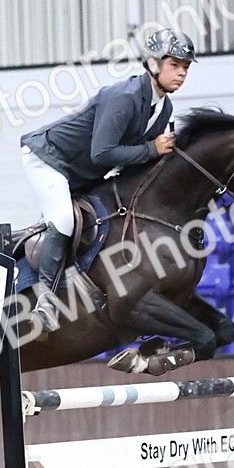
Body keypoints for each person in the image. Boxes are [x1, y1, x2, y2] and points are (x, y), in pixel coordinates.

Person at [19, 27, 197, 331]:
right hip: (49, 159)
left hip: (83, 170)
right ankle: (45, 299)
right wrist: (152, 148)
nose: (181, 73)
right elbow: (103, 153)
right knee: (63, 219)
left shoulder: (163, 107)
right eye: (174, 64)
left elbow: (138, 159)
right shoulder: (124, 97)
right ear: (152, 64)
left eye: (185, 67)